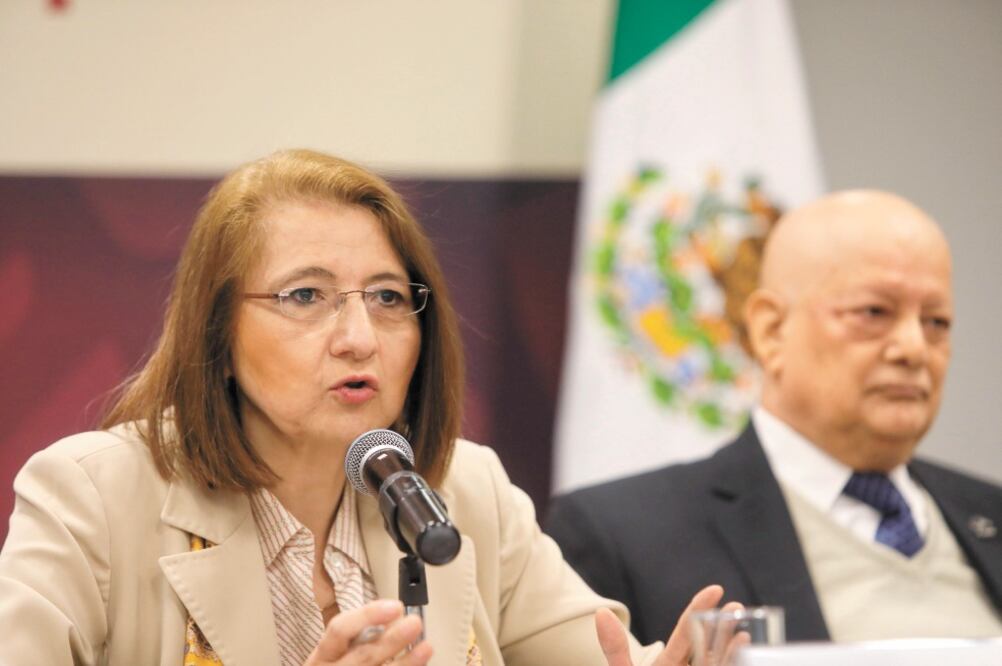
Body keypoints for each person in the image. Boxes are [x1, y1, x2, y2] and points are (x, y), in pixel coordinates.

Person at [0, 149, 727, 665]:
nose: (358, 339)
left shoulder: (463, 490)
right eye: (305, 297)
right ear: (217, 329)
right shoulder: (93, 494)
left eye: (386, 298)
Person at [547, 190, 1002, 645]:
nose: (914, 349)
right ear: (770, 329)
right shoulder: (625, 535)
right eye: (874, 312)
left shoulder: (990, 513)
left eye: (937, 322)